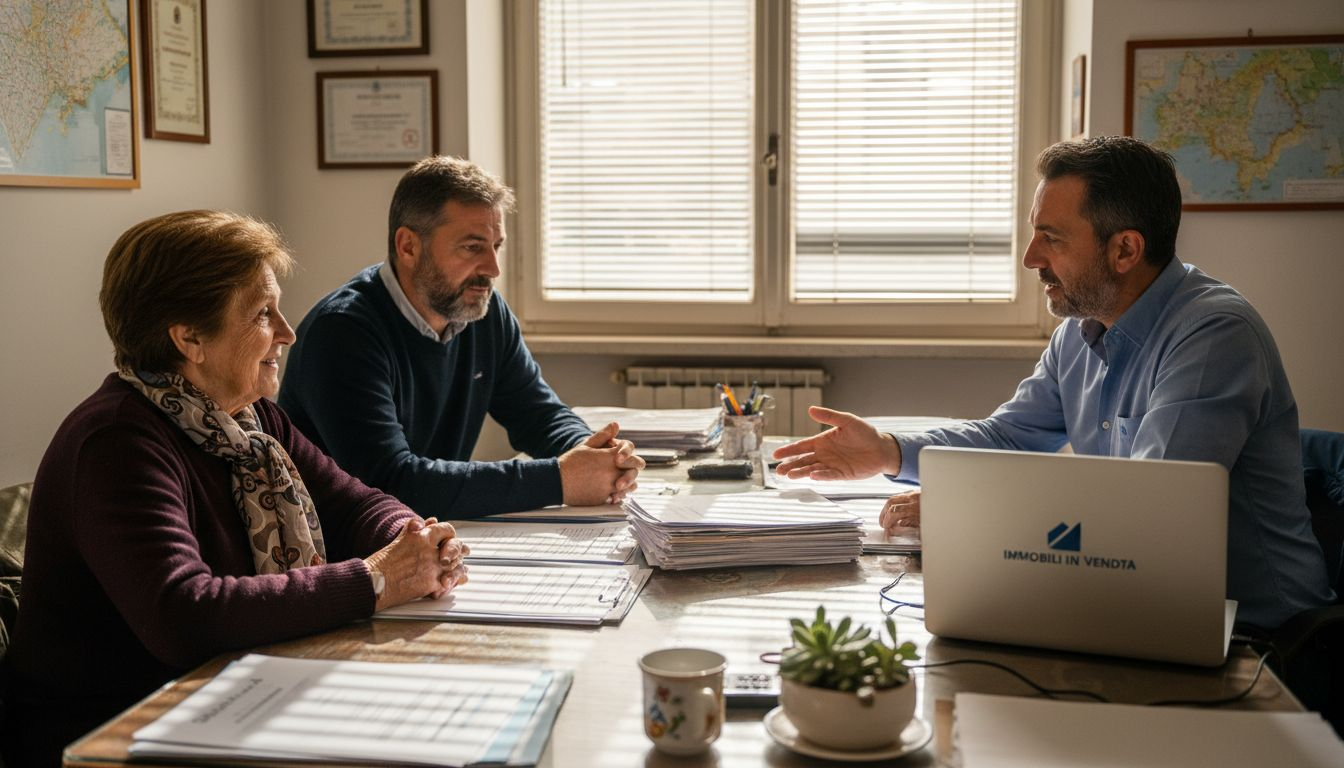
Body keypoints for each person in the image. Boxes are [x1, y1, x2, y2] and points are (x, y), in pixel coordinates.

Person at [773, 136, 1334, 631]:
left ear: (1125, 249)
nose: (1029, 258)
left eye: (1052, 238)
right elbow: (1009, 437)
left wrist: (969, 507)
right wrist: (887, 451)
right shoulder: (1081, 331)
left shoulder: (1213, 335)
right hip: (1136, 605)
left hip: (1258, 637)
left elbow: (1155, 510)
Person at [1, 211, 470, 766]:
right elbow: (185, 614)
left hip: (222, 696)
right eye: (262, 314)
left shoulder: (251, 418)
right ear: (189, 337)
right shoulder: (117, 442)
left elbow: (352, 503)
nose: (287, 333)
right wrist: (376, 579)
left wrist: (414, 539)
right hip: (110, 732)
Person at [278, 156, 642, 519]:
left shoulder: (484, 312)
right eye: (472, 247)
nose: (493, 269)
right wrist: (559, 479)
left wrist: (594, 452)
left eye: (496, 246)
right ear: (408, 247)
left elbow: (538, 414)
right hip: (339, 544)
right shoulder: (342, 332)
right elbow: (392, 481)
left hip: (431, 534)